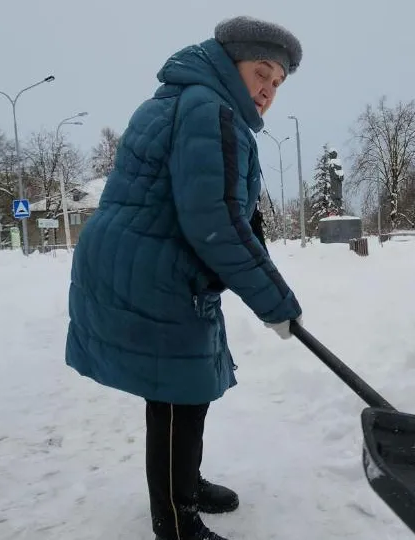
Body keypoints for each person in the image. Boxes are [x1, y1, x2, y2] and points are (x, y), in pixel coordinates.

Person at [64, 15, 304, 540]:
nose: (267, 89)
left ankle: (185, 486)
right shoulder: (207, 109)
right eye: (260, 72)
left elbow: (232, 212)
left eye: (277, 83)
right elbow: (213, 221)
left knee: (184, 386)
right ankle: (176, 523)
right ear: (229, 62)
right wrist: (276, 302)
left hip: (151, 260)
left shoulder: (198, 101)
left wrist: (264, 278)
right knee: (177, 392)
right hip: (153, 268)